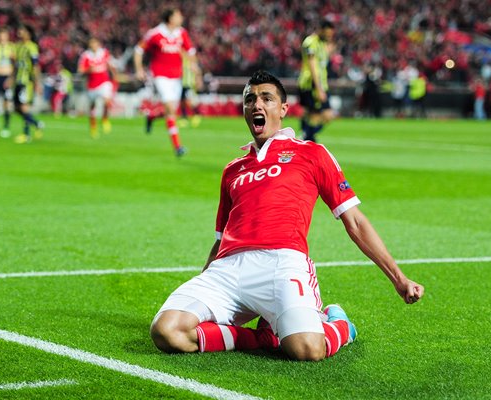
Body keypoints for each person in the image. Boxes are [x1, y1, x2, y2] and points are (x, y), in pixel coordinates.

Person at [150, 70, 425, 361]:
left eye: (266, 98)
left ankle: (340, 323)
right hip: (227, 270)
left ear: (283, 110)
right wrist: (204, 283)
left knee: (306, 348)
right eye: (250, 99)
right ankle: (263, 337)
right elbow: (219, 240)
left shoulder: (312, 153)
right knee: (167, 331)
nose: (257, 105)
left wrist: (399, 278)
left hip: (282, 265)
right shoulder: (233, 169)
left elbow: (354, 220)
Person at [134, 8, 198, 157]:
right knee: (170, 108)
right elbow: (138, 50)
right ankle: (177, 147)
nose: (181, 17)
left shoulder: (181, 33)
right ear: (170, 18)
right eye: (178, 15)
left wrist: (194, 65)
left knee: (170, 111)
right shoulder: (155, 33)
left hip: (177, 76)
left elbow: (191, 52)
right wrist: (139, 69)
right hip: (159, 75)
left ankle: (151, 116)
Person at [298, 20, 336, 142]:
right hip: (312, 84)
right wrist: (319, 88)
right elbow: (313, 66)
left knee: (309, 114)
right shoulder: (311, 42)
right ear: (320, 30)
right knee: (326, 115)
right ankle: (305, 137)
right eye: (327, 34)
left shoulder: (321, 44)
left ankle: (305, 137)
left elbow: (322, 64)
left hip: (320, 84)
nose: (329, 37)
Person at [78, 37, 117, 138]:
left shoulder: (104, 53)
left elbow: (110, 65)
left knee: (107, 101)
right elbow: (81, 71)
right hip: (92, 85)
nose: (93, 45)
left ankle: (104, 118)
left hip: (104, 82)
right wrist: (88, 70)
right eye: (91, 44)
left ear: (98, 44)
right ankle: (93, 127)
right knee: (92, 107)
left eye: (95, 43)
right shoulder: (86, 56)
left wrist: (114, 76)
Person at [12, 25, 44, 144]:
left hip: (27, 82)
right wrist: (10, 78)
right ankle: (37, 124)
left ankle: (26, 135)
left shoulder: (32, 47)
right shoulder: (18, 46)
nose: (19, 31)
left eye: (22, 30)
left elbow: (35, 66)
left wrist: (37, 83)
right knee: (16, 108)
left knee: (24, 107)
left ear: (28, 33)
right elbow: (16, 65)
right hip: (18, 81)